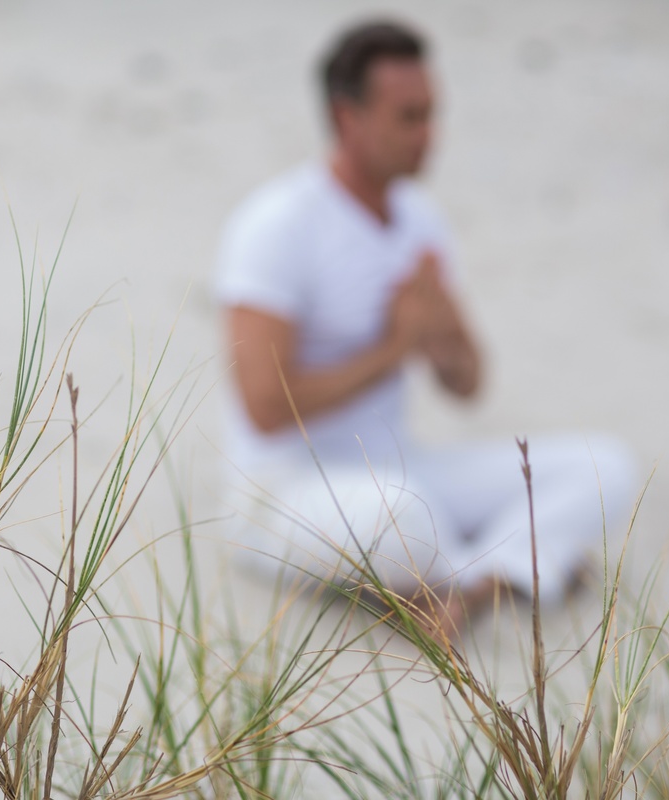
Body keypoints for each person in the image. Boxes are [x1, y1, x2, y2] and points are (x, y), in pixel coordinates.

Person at [212, 20, 636, 635]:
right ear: (347, 117)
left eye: (433, 115)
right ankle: (512, 566)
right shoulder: (276, 225)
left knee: (603, 467)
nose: (429, 136)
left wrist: (443, 328)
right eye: (409, 118)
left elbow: (467, 387)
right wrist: (395, 347)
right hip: (280, 494)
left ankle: (477, 581)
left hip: (401, 467)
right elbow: (265, 409)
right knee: (407, 516)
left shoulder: (420, 220)